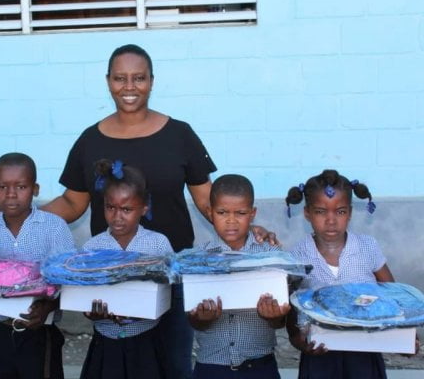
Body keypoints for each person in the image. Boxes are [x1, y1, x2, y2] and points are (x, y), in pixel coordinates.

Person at [0, 43, 277, 378]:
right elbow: (72, 203)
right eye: (120, 78)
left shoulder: (180, 135)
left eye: (138, 78)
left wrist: (249, 227)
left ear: (152, 81)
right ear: (108, 81)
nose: (129, 86)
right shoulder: (90, 140)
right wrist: (18, 216)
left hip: (172, 274)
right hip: (112, 275)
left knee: (173, 364)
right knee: (119, 360)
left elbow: (207, 200)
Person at [0, 152, 76, 379]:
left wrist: (48, 306)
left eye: (21, 186)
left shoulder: (54, 228)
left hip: (38, 330)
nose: (11, 195)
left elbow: (70, 277)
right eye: (2, 187)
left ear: (35, 189)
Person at [285, 169, 394, 379]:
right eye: (320, 211)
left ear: (350, 213)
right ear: (307, 213)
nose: (331, 220)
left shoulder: (368, 247)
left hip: (364, 351)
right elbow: (291, 304)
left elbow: (392, 293)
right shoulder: (298, 255)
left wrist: (404, 338)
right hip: (319, 354)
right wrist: (296, 339)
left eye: (340, 211)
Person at [80, 159, 173, 379]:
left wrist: (142, 307)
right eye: (110, 207)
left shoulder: (158, 244)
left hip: (145, 343)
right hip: (105, 344)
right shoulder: (92, 248)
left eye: (127, 209)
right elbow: (82, 295)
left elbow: (170, 290)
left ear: (144, 208)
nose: (117, 216)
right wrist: (90, 312)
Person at [188, 174, 288, 379]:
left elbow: (281, 321)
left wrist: (275, 316)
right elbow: (193, 320)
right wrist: (202, 319)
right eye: (222, 212)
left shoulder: (271, 257)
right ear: (210, 212)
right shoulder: (197, 260)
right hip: (211, 366)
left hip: (259, 365)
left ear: (252, 214)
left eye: (240, 213)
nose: (231, 221)